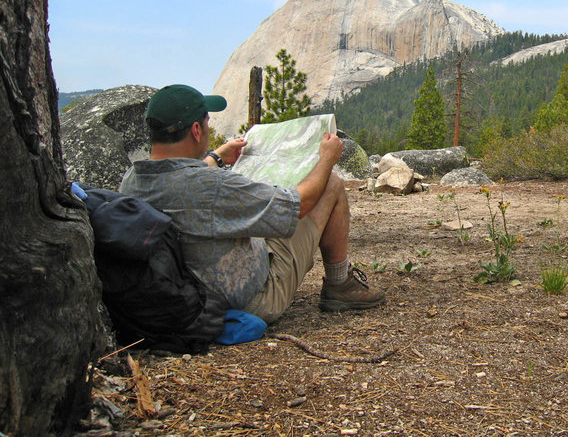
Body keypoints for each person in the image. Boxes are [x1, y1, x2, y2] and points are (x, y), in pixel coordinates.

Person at [119, 84, 385, 323]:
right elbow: (297, 206)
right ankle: (340, 285)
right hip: (252, 298)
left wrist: (216, 158)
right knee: (330, 184)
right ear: (196, 130)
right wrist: (326, 159)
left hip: (187, 292)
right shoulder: (210, 186)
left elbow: (178, 178)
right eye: (207, 121)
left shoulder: (133, 179)